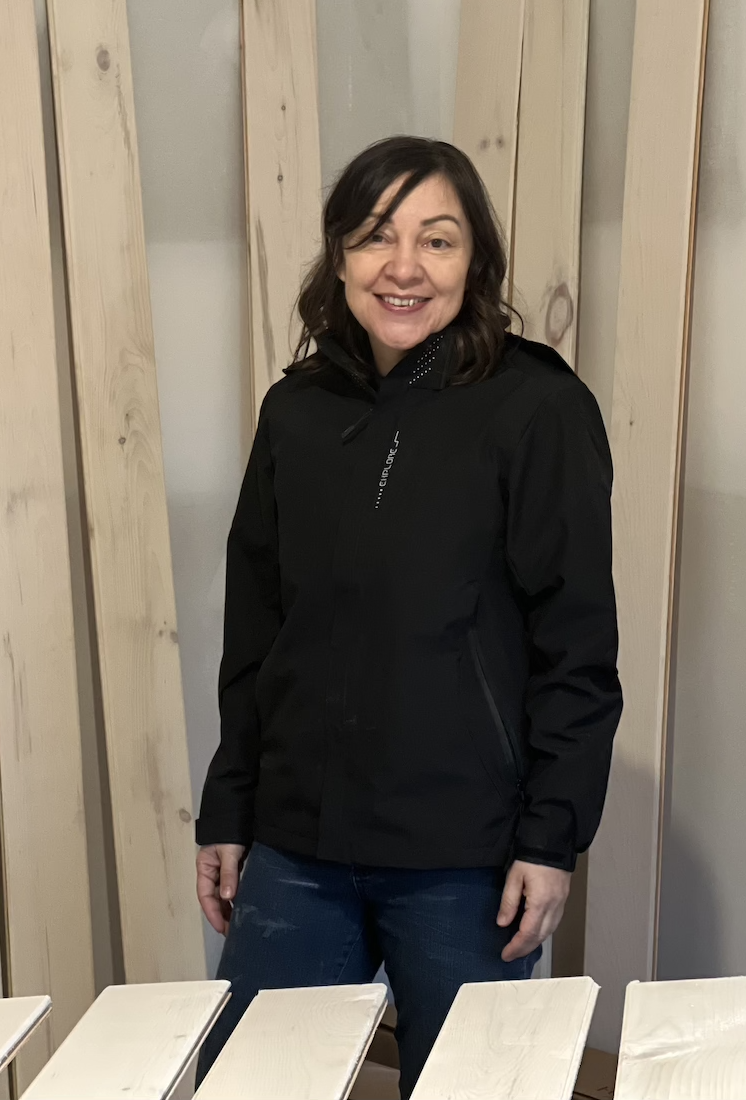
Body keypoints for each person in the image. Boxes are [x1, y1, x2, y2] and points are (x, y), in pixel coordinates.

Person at [194, 135, 621, 1097]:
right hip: (299, 844)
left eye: (438, 240)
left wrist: (550, 837)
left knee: (480, 1088)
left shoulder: (536, 407)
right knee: (257, 1085)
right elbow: (256, 630)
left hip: (465, 857)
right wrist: (230, 807)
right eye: (376, 236)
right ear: (337, 254)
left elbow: (577, 645)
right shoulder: (296, 411)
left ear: (475, 263)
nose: (404, 268)